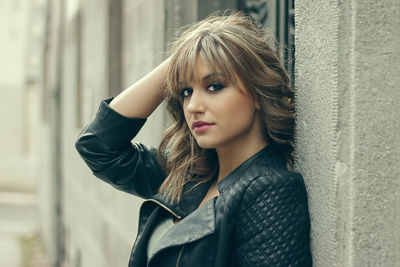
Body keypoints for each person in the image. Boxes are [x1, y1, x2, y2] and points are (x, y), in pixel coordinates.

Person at [75, 11, 312, 267]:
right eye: (186, 91)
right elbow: (98, 146)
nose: (193, 106)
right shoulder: (186, 174)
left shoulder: (271, 192)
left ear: (257, 93)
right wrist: (185, 54)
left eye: (214, 86)